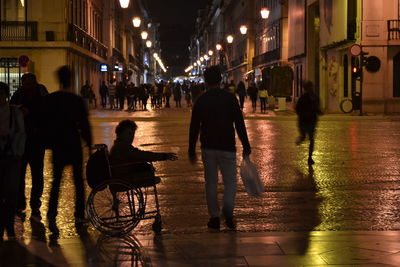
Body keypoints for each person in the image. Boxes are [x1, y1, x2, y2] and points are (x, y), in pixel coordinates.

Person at [188, 66, 251, 230]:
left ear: (205, 81)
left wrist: (191, 148)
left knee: (211, 183)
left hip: (208, 146)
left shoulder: (201, 100)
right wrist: (246, 144)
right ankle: (228, 212)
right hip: (227, 146)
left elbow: (194, 126)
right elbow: (239, 123)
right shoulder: (230, 98)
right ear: (221, 79)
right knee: (230, 182)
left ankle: (214, 217)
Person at [42, 66, 92, 227]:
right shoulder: (76, 100)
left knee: (56, 181)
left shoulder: (51, 99)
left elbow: (44, 122)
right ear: (70, 79)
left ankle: (51, 213)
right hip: (73, 144)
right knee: (78, 182)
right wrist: (89, 144)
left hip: (58, 145)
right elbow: (84, 125)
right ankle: (78, 215)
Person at [10, 73, 48, 217]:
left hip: (37, 141)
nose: (28, 87)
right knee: (20, 175)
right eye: (26, 84)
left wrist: (30, 111)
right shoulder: (18, 95)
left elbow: (47, 111)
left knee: (37, 174)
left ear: (35, 83)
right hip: (21, 141)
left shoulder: (42, 93)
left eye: (30, 84)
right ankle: (20, 203)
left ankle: (35, 203)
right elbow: (12, 112)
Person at [109, 120, 177, 186]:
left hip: (122, 175)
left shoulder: (119, 145)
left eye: (133, 134)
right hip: (124, 177)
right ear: (120, 134)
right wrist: (164, 156)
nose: (131, 137)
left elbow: (139, 155)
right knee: (154, 178)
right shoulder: (123, 147)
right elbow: (142, 155)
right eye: (129, 133)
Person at [0, 82, 26, 240]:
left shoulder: (14, 112)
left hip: (11, 156)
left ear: (6, 95)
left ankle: (9, 225)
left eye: (1, 94)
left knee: (11, 193)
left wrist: (18, 152)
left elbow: (21, 133)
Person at [295, 81, 321, 165]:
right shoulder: (303, 98)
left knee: (311, 139)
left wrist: (318, 112)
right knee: (304, 137)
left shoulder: (314, 97)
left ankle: (310, 157)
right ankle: (301, 139)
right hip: (304, 121)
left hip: (310, 121)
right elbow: (297, 109)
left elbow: (316, 108)